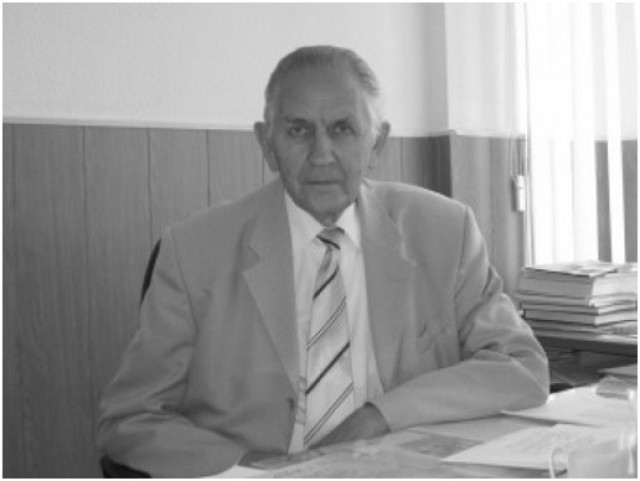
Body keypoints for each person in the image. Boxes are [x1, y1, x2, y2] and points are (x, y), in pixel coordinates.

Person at [97, 45, 549, 477]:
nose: (320, 154)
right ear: (267, 144)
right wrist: (256, 471)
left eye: (342, 129)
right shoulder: (194, 251)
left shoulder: (444, 232)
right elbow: (130, 418)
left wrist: (381, 414)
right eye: (298, 130)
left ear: (377, 144)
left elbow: (522, 367)